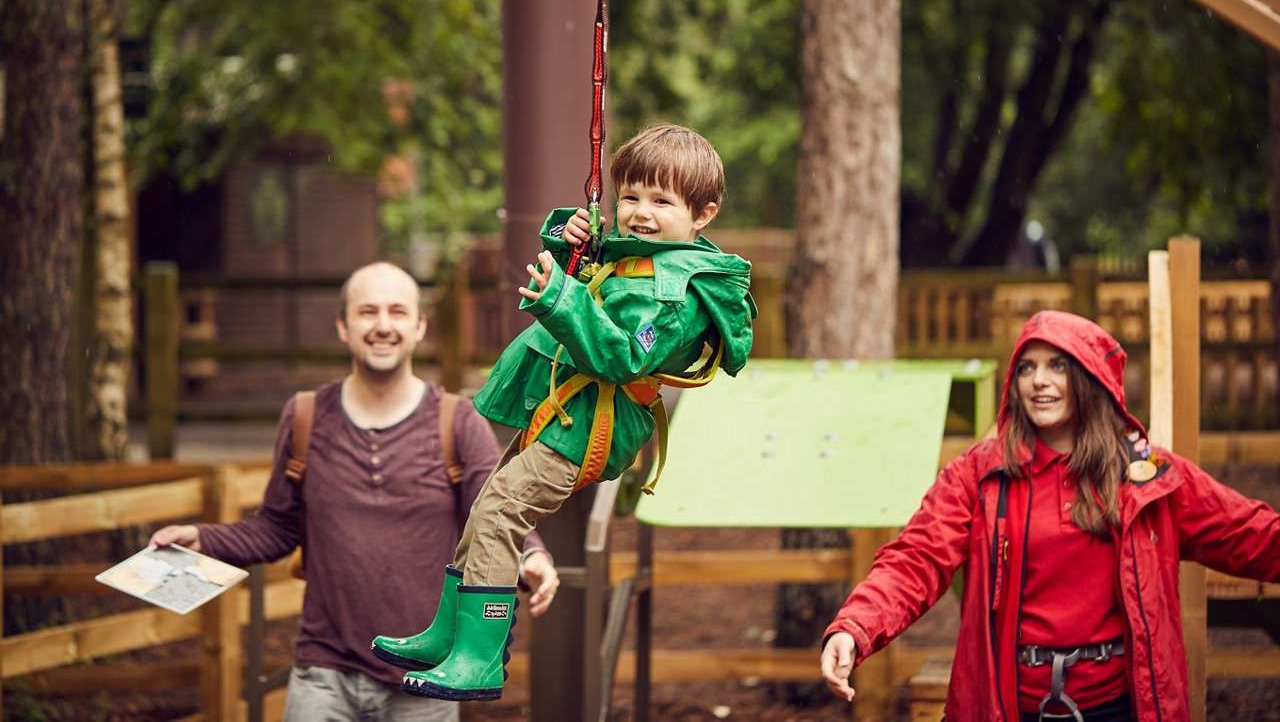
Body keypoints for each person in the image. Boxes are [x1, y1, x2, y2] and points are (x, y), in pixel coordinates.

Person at [383, 123, 756, 702]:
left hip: (596, 422)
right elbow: (588, 267)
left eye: (661, 201)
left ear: (702, 215)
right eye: (629, 196)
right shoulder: (642, 259)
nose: (640, 213)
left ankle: (479, 658)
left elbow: (627, 355)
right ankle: (452, 634)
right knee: (489, 505)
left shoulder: (674, 293)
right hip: (568, 410)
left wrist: (560, 299)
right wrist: (569, 235)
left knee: (502, 510)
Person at [819, 309, 1280, 722]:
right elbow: (915, 558)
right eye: (1026, 368)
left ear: (1090, 377)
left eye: (1058, 365)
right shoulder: (980, 475)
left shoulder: (1148, 476)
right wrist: (856, 629)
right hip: (1012, 704)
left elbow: (1247, 533)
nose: (1039, 380)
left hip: (1122, 706)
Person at [150, 262, 558, 722]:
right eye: (368, 312)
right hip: (323, 675)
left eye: (398, 312)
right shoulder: (305, 417)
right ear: (344, 327)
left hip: (424, 678)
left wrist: (532, 557)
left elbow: (494, 510)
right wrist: (202, 540)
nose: (383, 325)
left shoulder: (456, 420)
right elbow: (277, 529)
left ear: (419, 327)